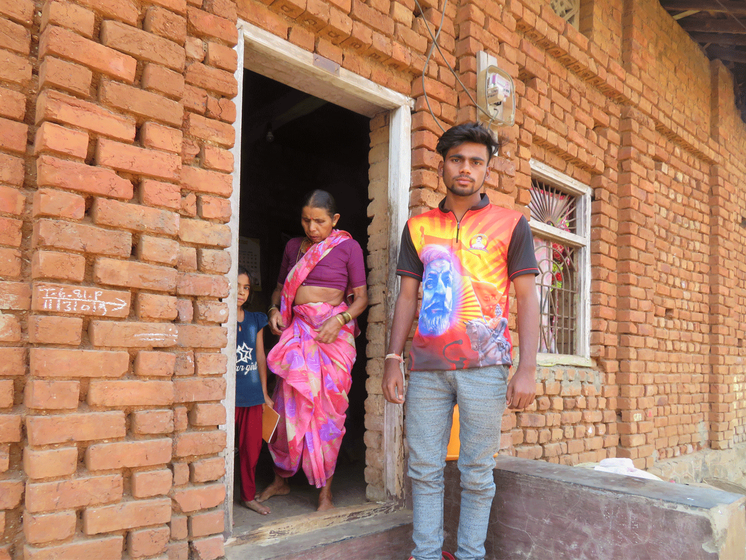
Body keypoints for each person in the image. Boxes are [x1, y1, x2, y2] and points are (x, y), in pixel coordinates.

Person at [382, 122, 540, 560]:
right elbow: (408, 296)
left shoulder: (511, 224)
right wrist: (393, 358)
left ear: (487, 169)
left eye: (475, 161)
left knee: (476, 472)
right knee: (425, 470)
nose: (465, 169)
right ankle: (427, 554)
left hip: (486, 367)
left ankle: (471, 555)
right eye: (457, 160)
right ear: (442, 165)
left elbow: (527, 297)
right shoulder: (418, 227)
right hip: (428, 368)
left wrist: (527, 368)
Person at [257, 189, 368, 511]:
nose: (311, 227)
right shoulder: (293, 247)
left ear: (334, 220)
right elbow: (279, 289)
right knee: (284, 406)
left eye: (319, 221)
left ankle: (325, 492)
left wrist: (341, 319)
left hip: (332, 338)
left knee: (327, 415)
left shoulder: (349, 247)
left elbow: (361, 298)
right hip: (298, 333)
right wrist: (273, 312)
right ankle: (281, 480)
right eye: (306, 220)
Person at [234, 266, 273, 515]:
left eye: (246, 287)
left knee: (251, 450)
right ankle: (220, 504)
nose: (241, 292)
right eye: (236, 285)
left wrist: (265, 394)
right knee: (223, 451)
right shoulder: (217, 316)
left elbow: (260, 356)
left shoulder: (256, 319)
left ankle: (248, 497)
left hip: (252, 396)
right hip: (229, 398)